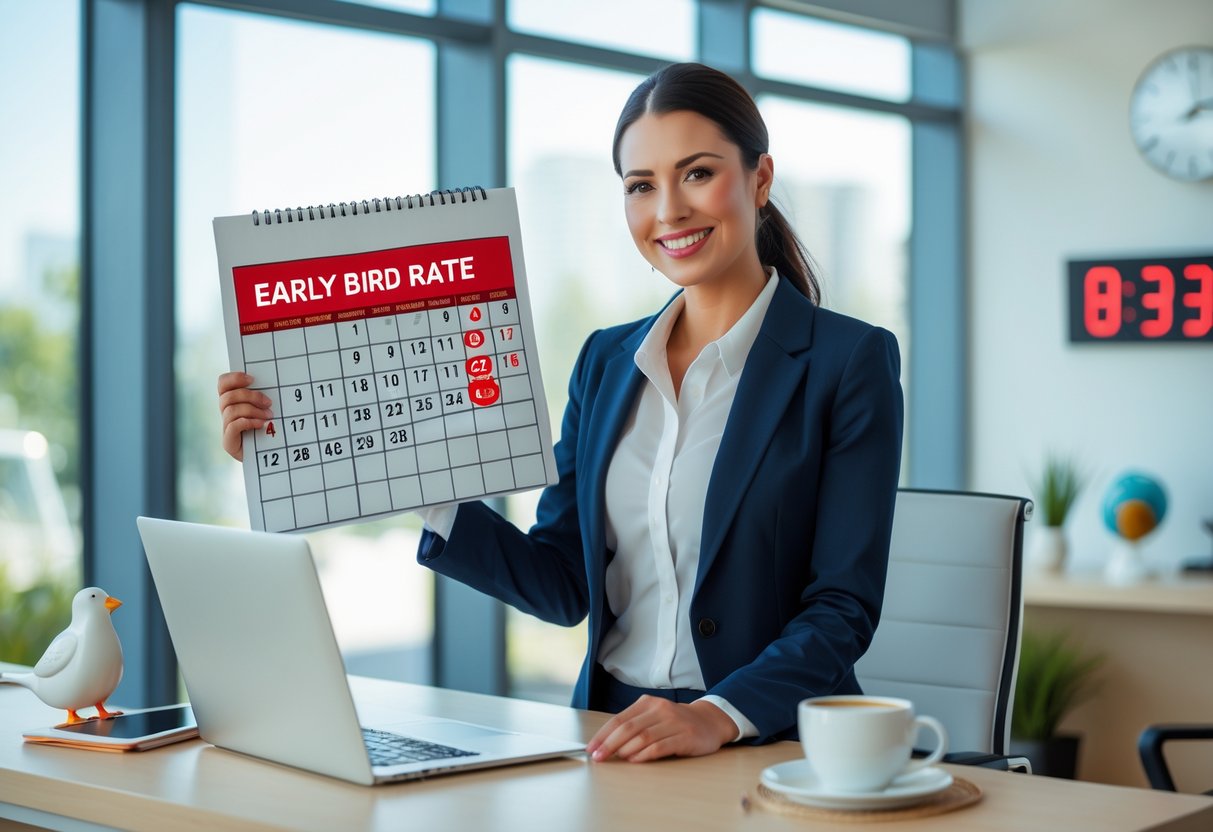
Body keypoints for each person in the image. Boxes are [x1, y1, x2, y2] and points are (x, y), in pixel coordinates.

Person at [218, 62, 903, 764]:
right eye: (640, 186)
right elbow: (562, 583)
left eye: (696, 173)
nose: (667, 209)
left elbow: (841, 609)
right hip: (609, 738)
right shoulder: (605, 362)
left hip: (769, 746)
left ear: (759, 179)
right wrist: (326, 445)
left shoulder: (847, 362)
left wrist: (716, 715)